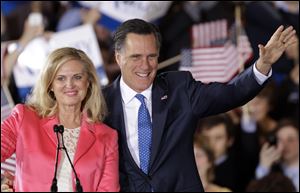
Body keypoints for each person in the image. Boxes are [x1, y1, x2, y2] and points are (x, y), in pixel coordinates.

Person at [102, 18, 296, 192]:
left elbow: (231, 94)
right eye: (136, 57)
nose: (145, 65)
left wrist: (263, 64)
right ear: (118, 58)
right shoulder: (100, 102)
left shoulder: (179, 89)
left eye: (151, 56)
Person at [1, 47, 119, 192]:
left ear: (88, 82)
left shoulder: (107, 137)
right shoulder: (24, 117)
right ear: (50, 84)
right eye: (61, 78)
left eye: (77, 77)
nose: (69, 85)